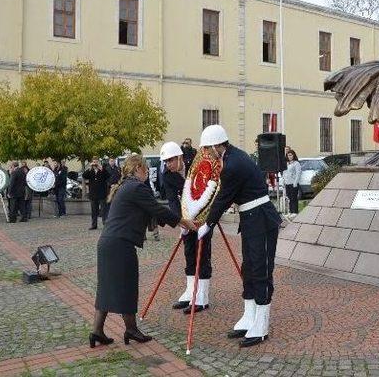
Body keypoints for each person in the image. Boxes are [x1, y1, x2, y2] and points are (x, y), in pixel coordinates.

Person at [91, 154, 196, 348]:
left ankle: (97, 331)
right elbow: (157, 209)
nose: (148, 172)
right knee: (127, 285)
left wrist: (167, 220)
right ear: (138, 168)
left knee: (106, 287)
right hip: (120, 245)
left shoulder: (124, 187)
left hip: (107, 243)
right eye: (146, 169)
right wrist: (184, 222)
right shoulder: (137, 187)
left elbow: (150, 212)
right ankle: (131, 330)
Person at [197, 125, 281, 348]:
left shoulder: (233, 164)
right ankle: (249, 315)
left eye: (207, 149)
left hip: (260, 219)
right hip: (252, 218)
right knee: (249, 268)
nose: (206, 153)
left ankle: (261, 324)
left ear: (217, 145)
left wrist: (208, 223)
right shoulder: (233, 157)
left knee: (260, 269)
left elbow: (223, 198)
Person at [160, 142, 212, 314]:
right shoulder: (167, 175)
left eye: (171, 160)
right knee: (189, 253)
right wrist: (179, 221)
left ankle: (202, 297)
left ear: (180, 157)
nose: (168, 164)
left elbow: (207, 189)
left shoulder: (195, 164)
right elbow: (172, 200)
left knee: (202, 254)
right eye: (166, 161)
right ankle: (191, 292)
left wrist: (204, 218)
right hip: (186, 216)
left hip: (203, 215)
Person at [83, 157, 109, 230]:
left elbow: (108, 176)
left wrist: (101, 169)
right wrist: (89, 168)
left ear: (99, 162)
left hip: (102, 193)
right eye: (94, 162)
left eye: (96, 162)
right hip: (93, 194)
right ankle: (94, 225)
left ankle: (105, 224)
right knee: (94, 211)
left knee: (104, 210)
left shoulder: (102, 169)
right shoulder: (90, 170)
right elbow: (84, 176)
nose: (95, 164)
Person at [284, 149, 301, 217]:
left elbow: (298, 173)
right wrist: (284, 181)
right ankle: (290, 211)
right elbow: (284, 173)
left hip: (293, 183)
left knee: (294, 198)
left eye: (291, 155)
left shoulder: (296, 163)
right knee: (289, 198)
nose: (289, 156)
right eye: (288, 155)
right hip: (287, 183)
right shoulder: (287, 163)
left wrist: (295, 182)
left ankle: (295, 212)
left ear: (293, 155)